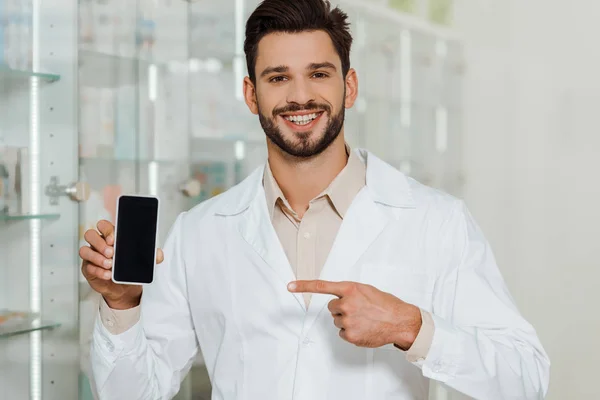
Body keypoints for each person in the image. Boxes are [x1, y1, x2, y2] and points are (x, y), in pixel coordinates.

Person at [80, 0, 550, 399]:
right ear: (251, 94)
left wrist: (411, 328)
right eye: (278, 78)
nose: (300, 96)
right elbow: (135, 391)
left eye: (319, 74)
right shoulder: (202, 230)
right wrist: (122, 306)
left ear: (349, 86)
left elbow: (526, 375)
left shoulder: (435, 220)